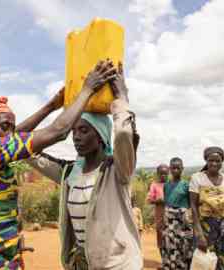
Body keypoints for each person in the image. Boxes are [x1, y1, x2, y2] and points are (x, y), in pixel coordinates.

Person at [0, 60, 116, 270]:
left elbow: (15, 136)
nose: (10, 134)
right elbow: (58, 131)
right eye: (4, 126)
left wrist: (51, 105)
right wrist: (88, 89)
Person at [26, 62, 143, 269]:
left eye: (84, 131)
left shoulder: (116, 170)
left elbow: (124, 133)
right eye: (74, 132)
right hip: (83, 264)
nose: (76, 137)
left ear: (101, 136)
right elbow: (21, 145)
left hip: (117, 264)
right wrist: (50, 106)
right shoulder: (68, 172)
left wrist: (121, 98)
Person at [189, 147, 224, 270]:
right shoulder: (197, 178)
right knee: (204, 263)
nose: (214, 163)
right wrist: (199, 234)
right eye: (211, 160)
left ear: (222, 162)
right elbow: (193, 206)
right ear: (206, 161)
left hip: (222, 229)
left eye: (218, 161)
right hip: (204, 227)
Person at [161, 157, 193, 270]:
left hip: (182, 219)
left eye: (178, 168)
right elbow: (166, 202)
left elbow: (191, 204)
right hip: (169, 218)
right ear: (170, 169)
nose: (175, 171)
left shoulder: (186, 185)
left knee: (184, 245)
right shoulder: (166, 185)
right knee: (169, 244)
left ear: (182, 169)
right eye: (173, 168)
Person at [147, 164, 168, 259]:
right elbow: (149, 200)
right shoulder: (154, 185)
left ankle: (171, 261)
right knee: (161, 238)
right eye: (161, 174)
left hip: (172, 216)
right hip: (160, 215)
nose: (163, 175)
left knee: (171, 238)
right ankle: (163, 261)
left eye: (165, 173)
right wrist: (158, 201)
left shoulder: (171, 184)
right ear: (158, 174)